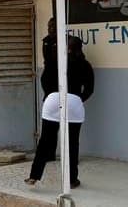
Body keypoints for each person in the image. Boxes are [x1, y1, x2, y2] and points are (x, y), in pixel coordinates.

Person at [26, 35, 94, 189]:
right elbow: (89, 89)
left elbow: (44, 81)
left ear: (66, 48)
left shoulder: (54, 62)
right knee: (72, 143)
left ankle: (33, 176)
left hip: (53, 100)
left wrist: (52, 94)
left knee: (45, 141)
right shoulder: (86, 65)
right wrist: (77, 99)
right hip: (74, 103)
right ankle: (72, 179)